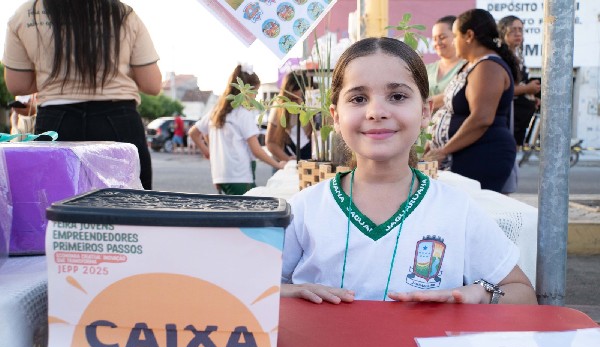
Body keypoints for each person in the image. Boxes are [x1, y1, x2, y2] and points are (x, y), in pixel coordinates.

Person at [280, 37, 536, 305]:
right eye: (358, 98)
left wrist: (482, 294)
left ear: (425, 112)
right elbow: (255, 290)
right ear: (335, 116)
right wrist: (286, 292)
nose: (376, 112)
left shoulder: (457, 210)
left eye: (398, 96)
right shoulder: (304, 210)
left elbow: (524, 294)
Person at [2, 0, 162, 190]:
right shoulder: (123, 13)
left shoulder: (26, 14)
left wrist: (54, 77)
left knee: (56, 202)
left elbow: (17, 85)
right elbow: (152, 84)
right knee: (129, 204)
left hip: (57, 123)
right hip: (119, 122)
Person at [425, 9, 520, 193]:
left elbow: (481, 119)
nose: (453, 42)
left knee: (467, 208)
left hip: (481, 155)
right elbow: (448, 100)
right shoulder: (472, 65)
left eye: (454, 36)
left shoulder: (488, 66)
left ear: (469, 36)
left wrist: (444, 150)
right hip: (456, 155)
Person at [189, 64, 286, 195]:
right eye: (255, 92)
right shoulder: (242, 113)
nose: (255, 97)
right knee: (251, 206)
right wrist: (278, 165)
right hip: (239, 175)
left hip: (220, 175)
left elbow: (194, 133)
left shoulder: (216, 111)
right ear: (247, 91)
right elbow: (256, 150)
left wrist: (210, 153)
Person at [498, 15, 541, 147]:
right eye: (513, 30)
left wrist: (531, 96)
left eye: (520, 29)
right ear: (503, 32)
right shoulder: (499, 58)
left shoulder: (517, 55)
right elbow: (502, 89)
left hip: (519, 120)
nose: (517, 34)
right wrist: (527, 89)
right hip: (507, 118)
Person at [266, 72, 313, 162]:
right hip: (286, 161)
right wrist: (287, 159)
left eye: (301, 98)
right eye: (293, 99)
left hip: (307, 159)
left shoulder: (311, 105)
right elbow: (270, 142)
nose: (297, 103)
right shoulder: (279, 107)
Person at [426, 16, 466, 111]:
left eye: (442, 37)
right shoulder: (427, 69)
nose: (438, 42)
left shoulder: (467, 66)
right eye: (434, 39)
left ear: (456, 36)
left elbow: (459, 95)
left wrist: (422, 104)